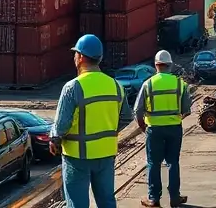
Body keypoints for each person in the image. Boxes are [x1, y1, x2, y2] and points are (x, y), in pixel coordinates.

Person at [49, 34, 133, 208]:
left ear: (80, 57)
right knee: (107, 201)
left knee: (77, 203)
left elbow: (61, 126)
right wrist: (109, 130)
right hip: (106, 154)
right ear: (99, 58)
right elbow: (126, 117)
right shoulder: (116, 86)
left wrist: (54, 139)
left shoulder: (73, 87)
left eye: (75, 54)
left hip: (77, 156)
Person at [135, 50, 191, 208]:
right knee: (173, 162)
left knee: (153, 162)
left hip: (154, 129)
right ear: (170, 65)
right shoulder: (180, 84)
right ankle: (174, 197)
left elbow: (137, 111)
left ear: (156, 65)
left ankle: (153, 199)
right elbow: (187, 108)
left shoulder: (148, 84)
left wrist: (143, 127)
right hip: (174, 128)